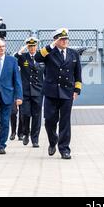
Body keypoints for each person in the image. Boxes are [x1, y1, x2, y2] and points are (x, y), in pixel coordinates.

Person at [35, 28, 82, 159]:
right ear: (56, 40)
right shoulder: (49, 52)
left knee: (65, 121)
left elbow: (78, 73)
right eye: (62, 39)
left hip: (67, 92)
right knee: (50, 120)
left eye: (66, 38)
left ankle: (64, 149)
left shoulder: (74, 54)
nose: (65, 41)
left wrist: (77, 90)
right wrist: (51, 46)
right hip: (51, 93)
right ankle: (52, 141)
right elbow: (38, 57)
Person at [14, 37, 45, 147]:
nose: (32, 48)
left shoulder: (41, 58)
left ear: (36, 46)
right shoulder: (23, 58)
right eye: (30, 46)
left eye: (33, 46)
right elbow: (14, 58)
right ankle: (26, 133)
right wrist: (22, 50)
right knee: (25, 114)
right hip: (25, 92)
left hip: (38, 91)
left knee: (37, 116)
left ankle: (35, 139)